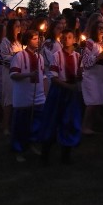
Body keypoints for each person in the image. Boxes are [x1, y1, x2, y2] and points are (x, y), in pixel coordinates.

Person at [40, 30, 83, 164]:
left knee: (69, 121)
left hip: (71, 92)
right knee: (53, 120)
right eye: (63, 37)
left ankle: (66, 153)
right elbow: (54, 77)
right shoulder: (57, 55)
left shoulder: (77, 56)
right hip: (59, 91)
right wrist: (68, 87)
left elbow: (79, 74)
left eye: (69, 37)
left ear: (74, 39)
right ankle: (45, 152)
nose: (65, 40)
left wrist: (79, 77)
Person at [9, 30, 48, 162]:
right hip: (23, 96)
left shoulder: (40, 57)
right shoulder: (19, 56)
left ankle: (32, 143)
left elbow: (43, 77)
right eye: (34, 39)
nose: (37, 41)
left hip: (38, 95)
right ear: (27, 40)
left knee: (37, 122)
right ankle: (18, 149)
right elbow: (13, 74)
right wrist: (28, 75)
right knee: (21, 124)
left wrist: (45, 93)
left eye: (38, 38)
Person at [81, 15, 103, 135]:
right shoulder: (90, 42)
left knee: (99, 102)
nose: (101, 30)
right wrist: (98, 57)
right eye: (99, 28)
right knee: (92, 102)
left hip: (102, 75)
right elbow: (86, 61)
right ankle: (85, 126)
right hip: (92, 75)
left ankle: (93, 125)